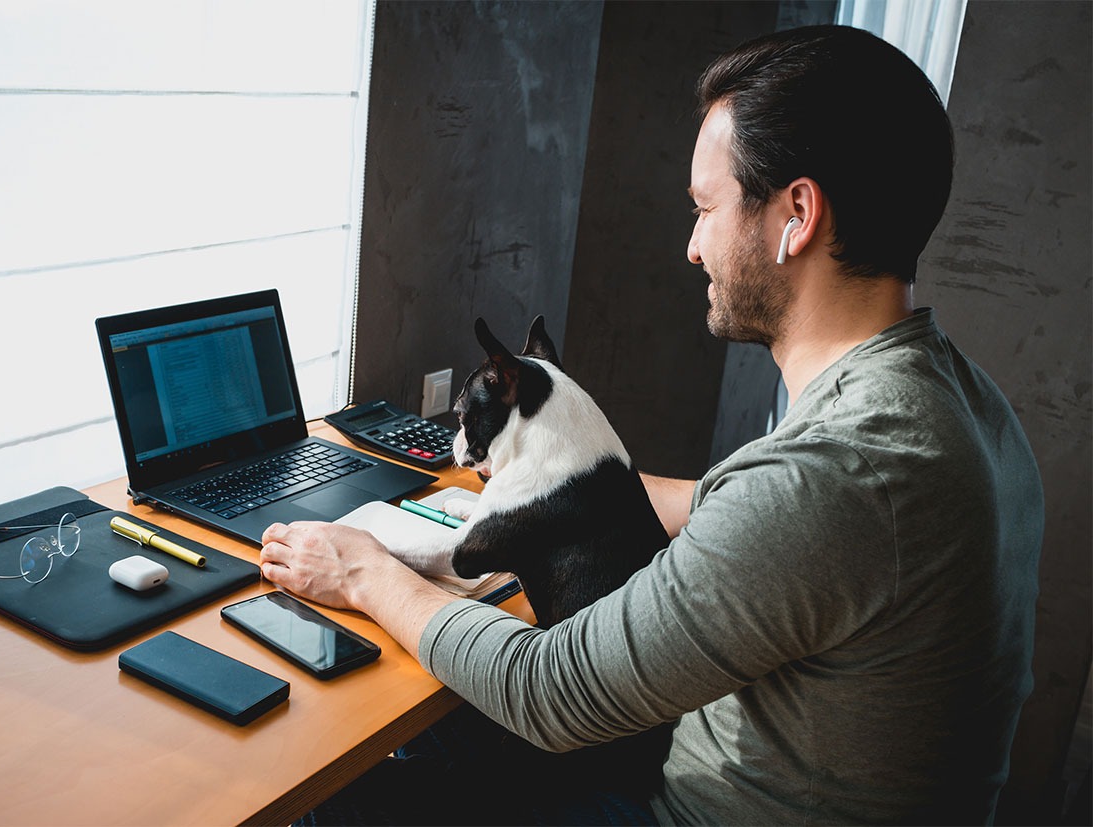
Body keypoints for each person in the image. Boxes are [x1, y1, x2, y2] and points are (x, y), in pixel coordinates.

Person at [260, 24, 1044, 825]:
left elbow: (547, 690)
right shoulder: (961, 407)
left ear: (797, 215)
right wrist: (558, 482)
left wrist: (364, 571)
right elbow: (745, 514)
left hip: (676, 808)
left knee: (340, 788)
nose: (692, 246)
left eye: (706, 207)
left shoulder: (833, 477)